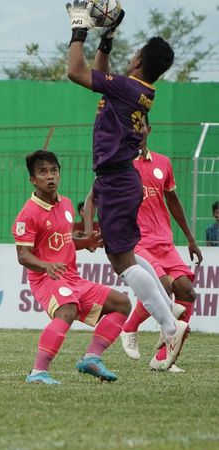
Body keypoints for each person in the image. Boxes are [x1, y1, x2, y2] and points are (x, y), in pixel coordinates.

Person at [66, 2, 187, 370]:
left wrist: (79, 28)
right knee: (129, 256)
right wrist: (109, 37)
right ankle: (170, 308)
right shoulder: (139, 90)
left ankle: (169, 325)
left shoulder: (125, 89)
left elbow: (75, 71)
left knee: (121, 262)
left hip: (117, 179)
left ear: (137, 62)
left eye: (133, 54)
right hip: (120, 178)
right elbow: (101, 73)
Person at [13, 150, 130, 385]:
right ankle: (38, 373)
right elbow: (23, 256)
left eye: (54, 171)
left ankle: (92, 358)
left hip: (72, 278)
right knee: (67, 310)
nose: (50, 176)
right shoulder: (28, 214)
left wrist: (85, 242)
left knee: (122, 304)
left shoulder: (65, 204)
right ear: (33, 180)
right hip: (45, 279)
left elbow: (62, 242)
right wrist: (46, 266)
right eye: (43, 172)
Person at [116, 117, 202, 372]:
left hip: (164, 241)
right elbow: (98, 197)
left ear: (148, 130)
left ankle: (165, 355)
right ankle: (129, 327)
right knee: (163, 286)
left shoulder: (163, 163)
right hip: (137, 240)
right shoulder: (119, 164)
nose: (137, 130)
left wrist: (190, 238)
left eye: (140, 125)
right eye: (132, 125)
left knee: (187, 292)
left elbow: (173, 200)